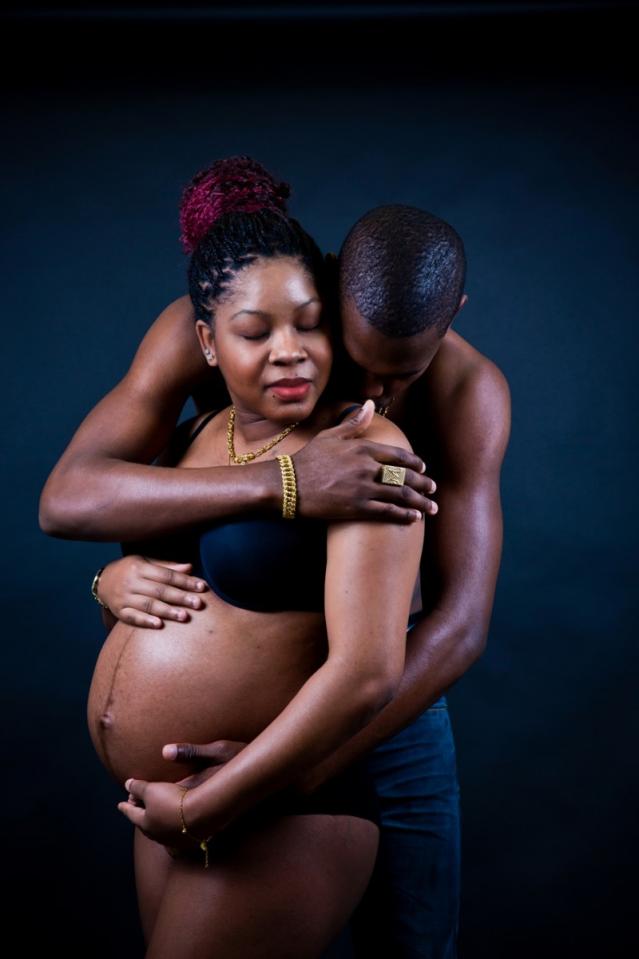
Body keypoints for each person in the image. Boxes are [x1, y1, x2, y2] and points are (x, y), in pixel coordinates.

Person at [40, 160, 511, 958]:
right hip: (239, 729)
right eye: (355, 358)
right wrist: (113, 577)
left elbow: (455, 629)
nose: (370, 393)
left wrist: (279, 772)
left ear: (453, 319)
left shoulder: (462, 397)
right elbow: (80, 498)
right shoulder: (251, 322)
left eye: (401, 374)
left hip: (380, 697)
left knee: (415, 941)